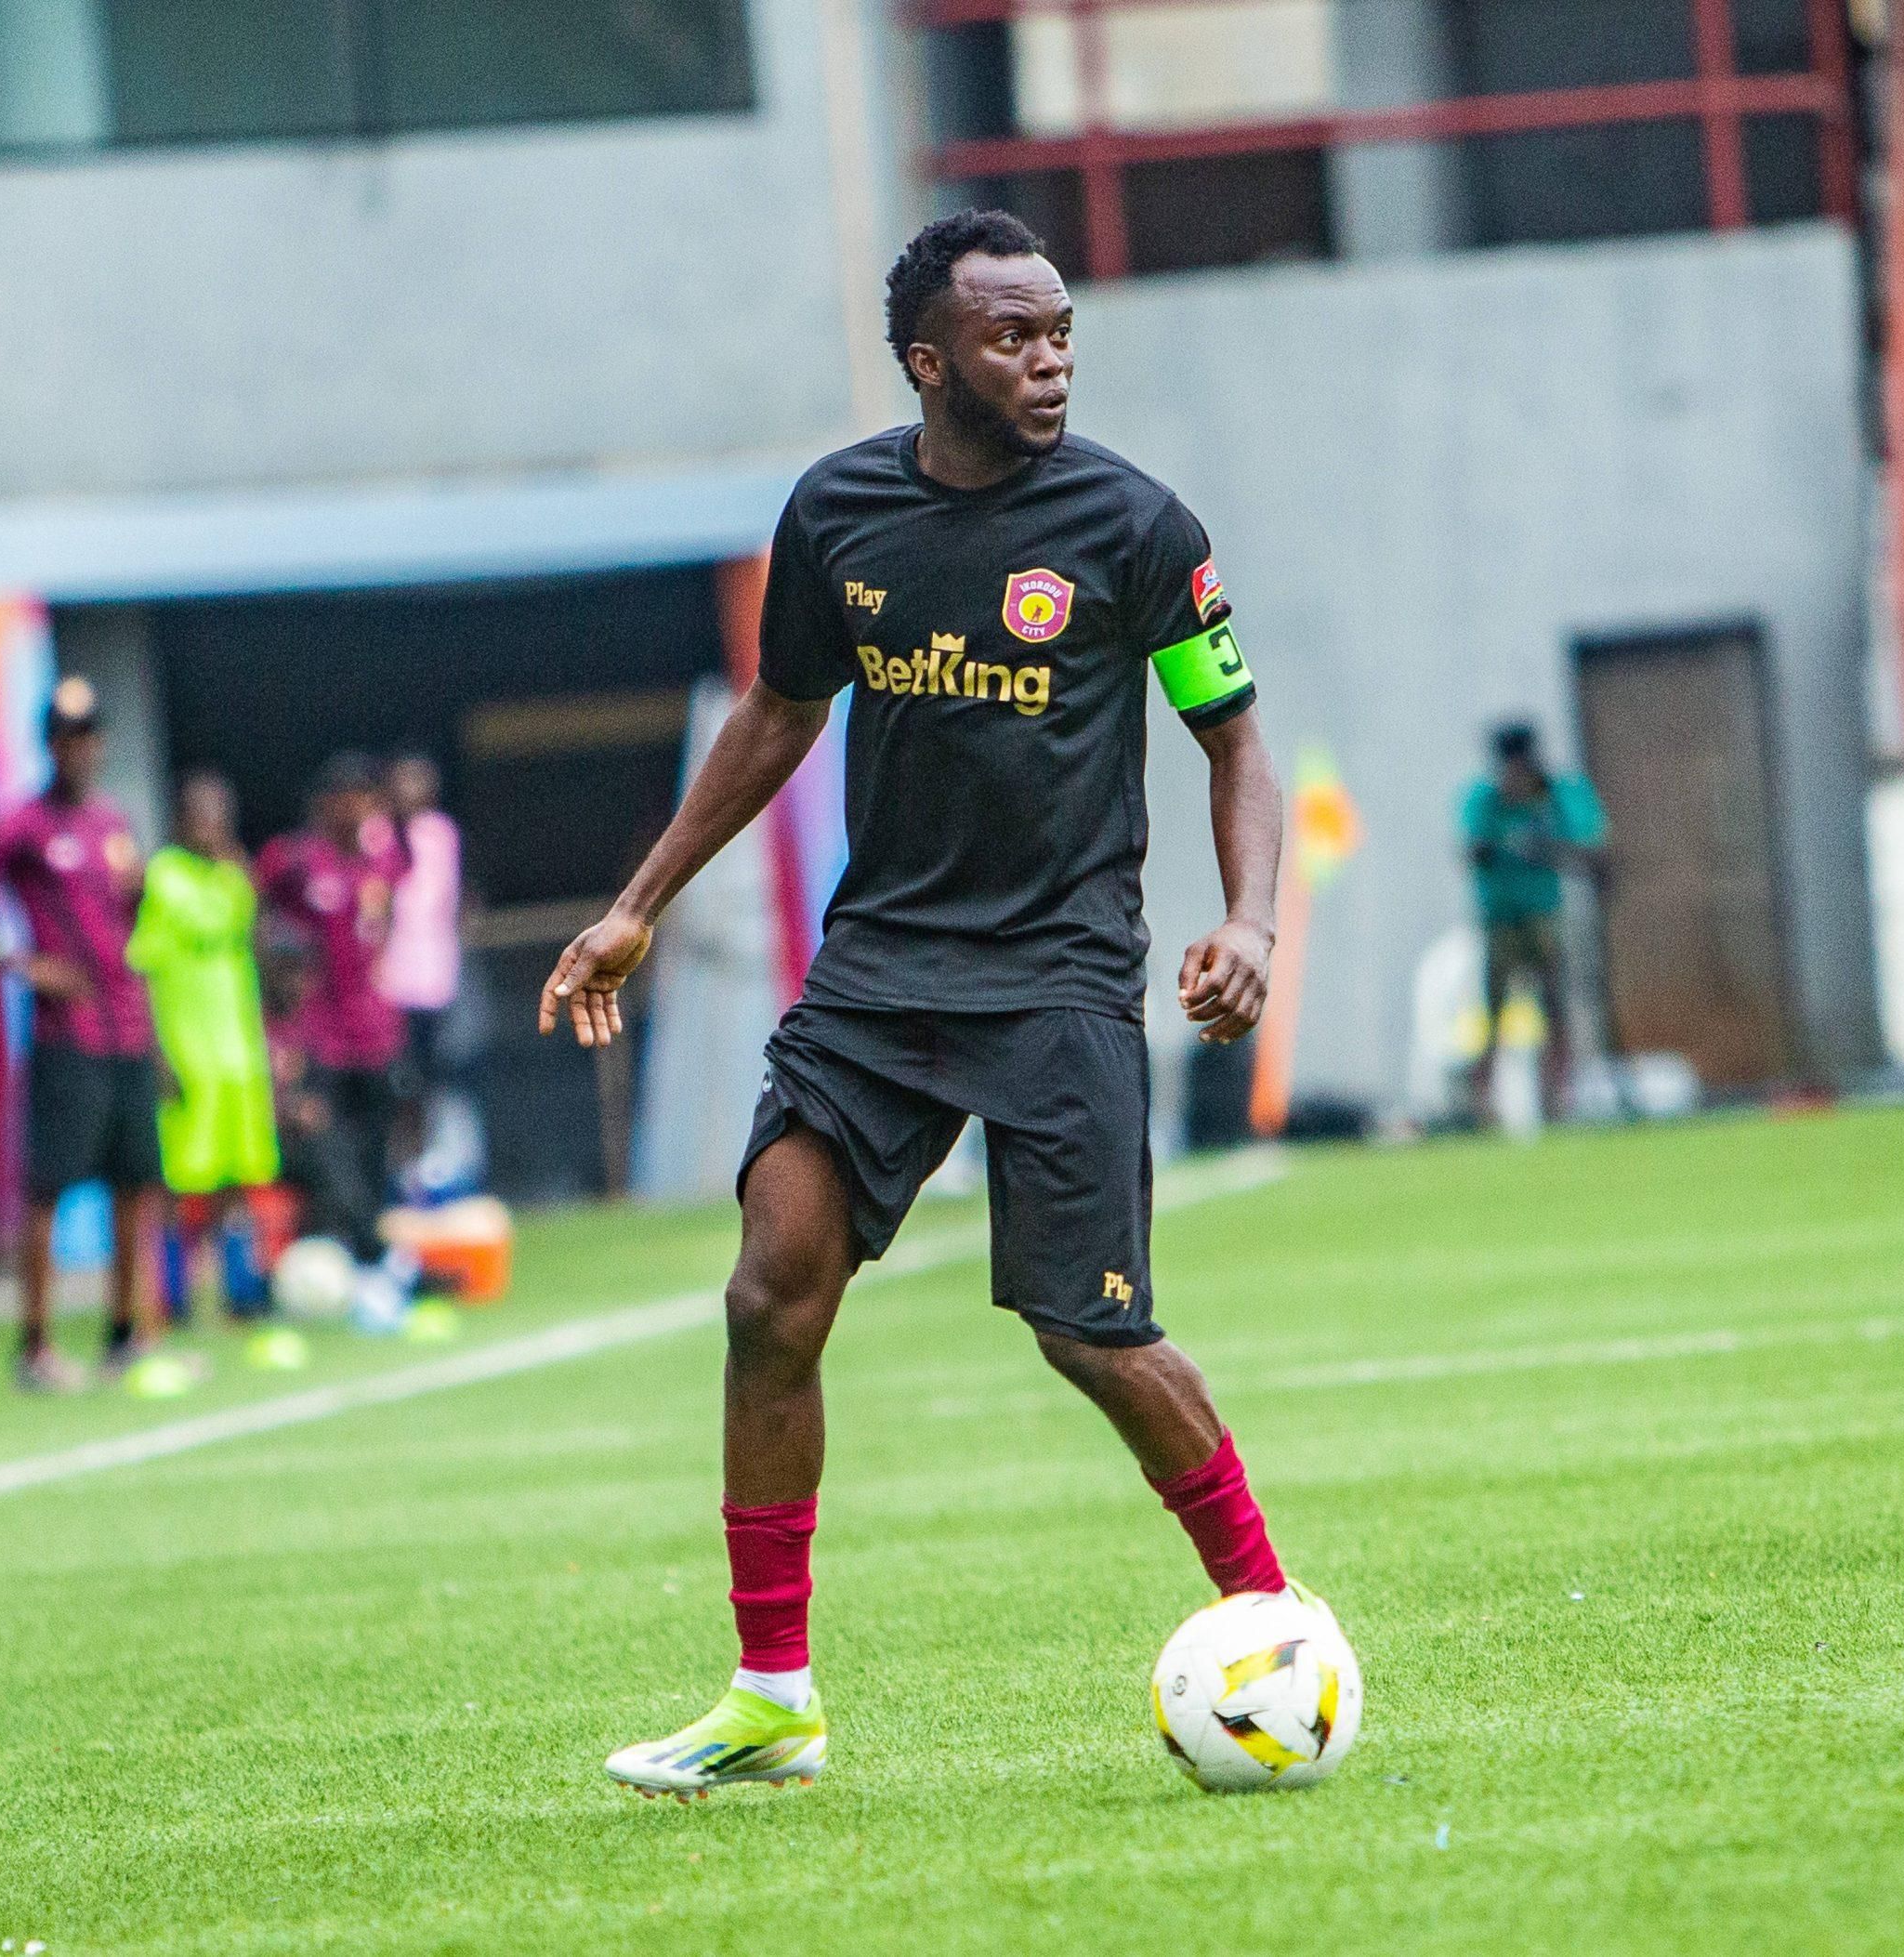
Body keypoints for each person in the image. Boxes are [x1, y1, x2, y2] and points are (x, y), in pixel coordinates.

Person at [541, 209, 1301, 1798]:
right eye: (1014, 338)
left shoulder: (1137, 530)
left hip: (1058, 979)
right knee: (770, 1296)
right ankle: (772, 1695)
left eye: (1062, 332)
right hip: (881, 973)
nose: (1050, 360)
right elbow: (777, 711)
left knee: (1088, 1334)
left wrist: (1252, 919)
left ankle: (1270, 1612)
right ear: (930, 360)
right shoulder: (838, 514)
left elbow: (1234, 738)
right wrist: (634, 909)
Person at [0, 676, 164, 1391]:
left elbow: (125, 916)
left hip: (126, 1029)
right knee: (46, 1191)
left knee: (137, 1185)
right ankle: (35, 1346)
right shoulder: (24, 823)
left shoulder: (112, 823)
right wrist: (11, 957)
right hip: (70, 1034)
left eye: (90, 735)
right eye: (68, 736)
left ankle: (127, 1335)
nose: (81, 749)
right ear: (50, 744)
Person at [125, 770, 280, 1317]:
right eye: (199, 814)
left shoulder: (235, 880)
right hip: (187, 1050)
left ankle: (241, 1292)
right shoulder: (163, 877)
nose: (211, 826)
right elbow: (142, 968)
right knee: (178, 1180)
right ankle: (174, 1295)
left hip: (239, 1051)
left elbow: (254, 956)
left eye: (219, 814)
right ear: (180, 821)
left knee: (237, 1175)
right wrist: (156, 1051)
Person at [256, 754, 407, 1291]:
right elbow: (261, 930)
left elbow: (383, 926)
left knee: (373, 1152)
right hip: (318, 1040)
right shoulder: (293, 861)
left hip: (374, 1034)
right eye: (347, 796)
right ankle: (371, 1258)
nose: (358, 807)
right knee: (323, 1148)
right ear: (326, 803)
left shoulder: (381, 862)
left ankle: (368, 1265)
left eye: (366, 796)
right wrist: (280, 1022)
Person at [1459, 722, 1609, 1121]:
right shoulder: (1486, 800)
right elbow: (1470, 850)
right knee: (1493, 1012)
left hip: (1543, 915)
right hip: (1500, 918)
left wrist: (1547, 848)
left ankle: (1558, 1096)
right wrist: (1499, 841)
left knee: (1555, 1008)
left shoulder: (1555, 795)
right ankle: (1484, 1104)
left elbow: (1593, 850)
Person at [376, 753, 463, 1155]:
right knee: (394, 1077)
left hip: (431, 977)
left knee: (428, 1076)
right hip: (387, 978)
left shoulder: (441, 834)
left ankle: (423, 1159)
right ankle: (395, 1157)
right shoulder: (378, 834)